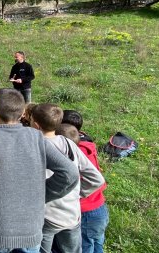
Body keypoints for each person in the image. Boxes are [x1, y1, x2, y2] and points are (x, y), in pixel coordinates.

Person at [0, 88, 79, 253]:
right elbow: (70, 173)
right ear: (23, 112)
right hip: (31, 229)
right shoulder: (37, 136)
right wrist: (43, 194)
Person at [30, 104, 105, 253]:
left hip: (46, 217)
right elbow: (97, 179)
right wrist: (76, 193)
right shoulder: (69, 143)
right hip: (71, 215)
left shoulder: (34, 147)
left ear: (36, 125)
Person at [57, 123, 108, 253]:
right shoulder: (86, 150)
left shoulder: (72, 160)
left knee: (86, 246)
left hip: (86, 212)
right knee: (97, 243)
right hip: (100, 207)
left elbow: (97, 180)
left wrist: (77, 194)